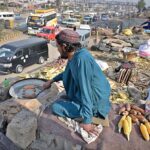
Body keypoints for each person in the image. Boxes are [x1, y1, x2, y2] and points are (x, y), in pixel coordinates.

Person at [43, 29, 111, 135]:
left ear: (64, 46)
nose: (57, 49)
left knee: (56, 107)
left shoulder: (81, 60)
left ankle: (90, 114)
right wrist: (51, 80)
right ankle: (82, 108)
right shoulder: (74, 55)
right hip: (92, 93)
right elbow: (66, 73)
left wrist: (87, 121)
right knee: (68, 93)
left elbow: (86, 91)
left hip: (96, 99)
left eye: (58, 46)